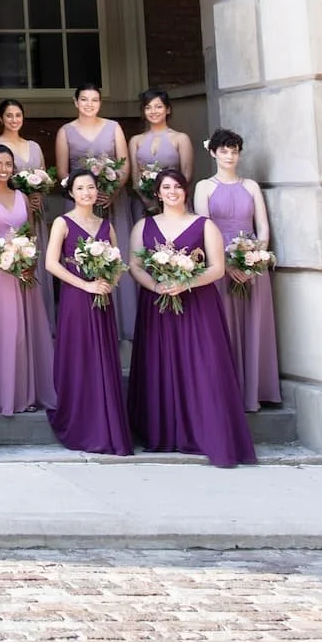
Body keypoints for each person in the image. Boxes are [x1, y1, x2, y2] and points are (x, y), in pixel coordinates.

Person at [125, 168, 255, 468]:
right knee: (161, 364)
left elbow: (217, 268)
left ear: (186, 191)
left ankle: (206, 432)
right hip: (157, 304)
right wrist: (157, 285)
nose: (172, 192)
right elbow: (135, 265)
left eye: (177, 187)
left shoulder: (204, 225)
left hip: (198, 304)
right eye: (166, 187)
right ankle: (164, 432)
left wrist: (186, 283)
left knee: (203, 365)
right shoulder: (143, 226)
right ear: (157, 193)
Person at [42, 167, 133, 456]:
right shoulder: (62, 222)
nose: (87, 193)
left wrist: (109, 283)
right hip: (76, 299)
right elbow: (51, 264)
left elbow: (119, 261)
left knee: (104, 357)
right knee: (80, 357)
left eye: (91, 187)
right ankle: (82, 424)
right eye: (80, 188)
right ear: (71, 193)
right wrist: (85, 285)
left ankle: (108, 424)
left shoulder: (106, 225)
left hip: (102, 299)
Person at [198, 129, 281, 409]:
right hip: (220, 268)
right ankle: (228, 391)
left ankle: (256, 390)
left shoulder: (251, 186)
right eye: (224, 151)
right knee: (226, 327)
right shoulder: (204, 187)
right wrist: (225, 264)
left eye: (234, 151)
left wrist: (254, 260)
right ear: (213, 153)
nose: (229, 156)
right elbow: (204, 227)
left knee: (254, 325)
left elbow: (264, 227)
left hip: (251, 268)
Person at [0, 141, 52, 415]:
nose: (3, 169)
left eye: (7, 164)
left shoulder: (22, 197)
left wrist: (30, 262)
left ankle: (26, 393)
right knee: (3, 331)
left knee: (23, 332)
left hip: (23, 270)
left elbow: (29, 234)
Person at [55, 84, 135, 339]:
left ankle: (122, 323)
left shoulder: (113, 127)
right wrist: (83, 194)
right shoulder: (65, 131)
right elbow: (62, 173)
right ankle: (84, 320)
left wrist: (111, 191)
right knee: (80, 257)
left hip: (112, 201)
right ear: (75, 102)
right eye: (84, 99)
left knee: (114, 254)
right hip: (79, 202)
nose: (89, 104)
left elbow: (124, 166)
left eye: (95, 99)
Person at [129, 88, 192, 212]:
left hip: (174, 200)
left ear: (167, 109)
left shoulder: (181, 138)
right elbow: (135, 177)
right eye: (148, 107)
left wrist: (168, 197)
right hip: (143, 203)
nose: (153, 111)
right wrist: (148, 201)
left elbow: (187, 175)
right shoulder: (135, 140)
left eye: (158, 107)